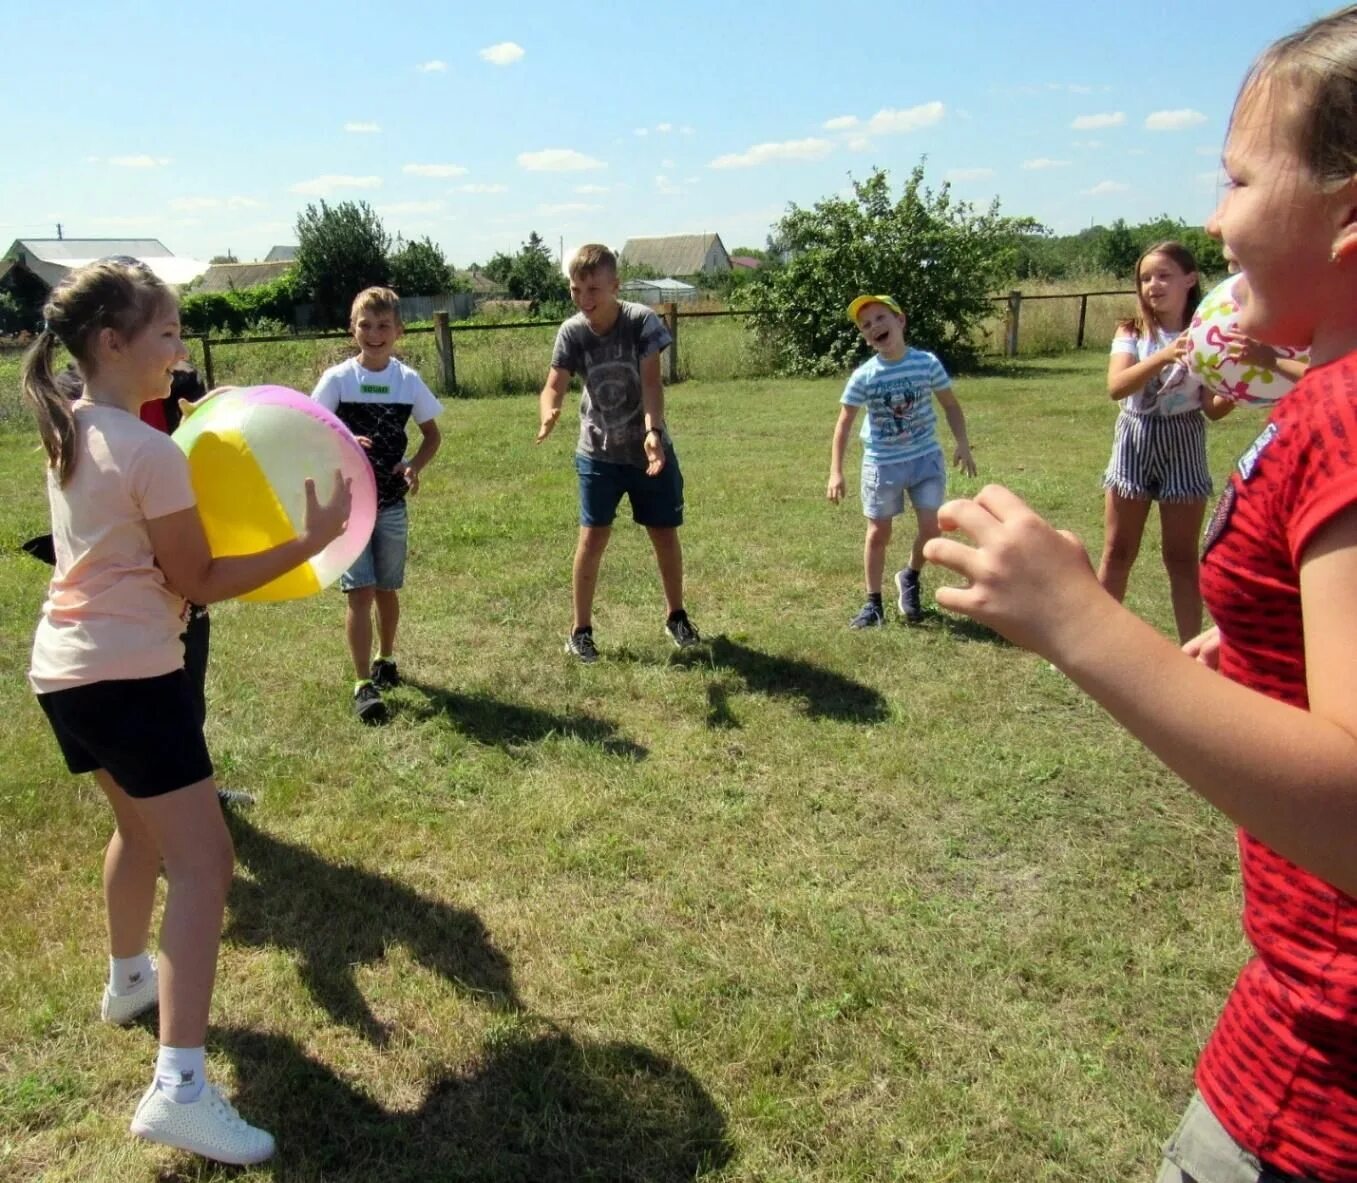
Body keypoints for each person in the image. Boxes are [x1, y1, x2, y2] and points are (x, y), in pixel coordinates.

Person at [923, 9, 1357, 1180]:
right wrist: (1251, 659)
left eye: (1237, 178)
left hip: (1317, 1087)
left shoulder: (1344, 416)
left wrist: (1075, 621)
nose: (1214, 220)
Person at [22, 258, 351, 1165]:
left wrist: (206, 412)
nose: (179, 348)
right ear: (112, 342)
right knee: (206, 863)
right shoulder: (146, 448)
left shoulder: (77, 427)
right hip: (130, 677)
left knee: (138, 830)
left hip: (64, 672)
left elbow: (142, 498)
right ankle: (180, 1087)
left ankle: (129, 979)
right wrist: (310, 540)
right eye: (166, 334)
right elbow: (197, 580)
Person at [536, 243, 700, 662]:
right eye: (575, 290)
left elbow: (651, 384)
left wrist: (653, 433)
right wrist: (549, 409)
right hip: (598, 453)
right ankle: (581, 631)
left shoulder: (640, 322)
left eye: (593, 289)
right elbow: (554, 383)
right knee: (592, 537)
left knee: (663, 532)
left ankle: (676, 616)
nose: (584, 300)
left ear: (615, 285)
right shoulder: (572, 331)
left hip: (648, 449)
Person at [312, 287, 442, 722]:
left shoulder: (407, 380)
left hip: (391, 507)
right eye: (365, 325)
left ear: (399, 331)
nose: (374, 333)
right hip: (349, 509)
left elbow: (432, 435)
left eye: (384, 325)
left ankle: (386, 659)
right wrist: (344, 440)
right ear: (353, 329)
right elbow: (309, 431)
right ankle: (362, 682)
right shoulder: (337, 380)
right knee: (359, 591)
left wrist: (413, 466)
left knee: (387, 589)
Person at [1098, 242, 1228, 644]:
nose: (1153, 285)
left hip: (1184, 440)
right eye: (1145, 277)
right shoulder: (1132, 332)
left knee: (1182, 559)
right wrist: (1167, 354)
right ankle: (1097, 644)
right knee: (1118, 552)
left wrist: (1239, 385)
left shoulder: (1207, 336)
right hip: (1135, 438)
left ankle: (1190, 649)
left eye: (1164, 275)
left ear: (1190, 280)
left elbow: (1212, 408)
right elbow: (1117, 387)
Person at [827, 294, 976, 627]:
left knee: (931, 529)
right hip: (883, 464)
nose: (874, 327)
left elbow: (950, 405)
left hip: (925, 459)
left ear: (900, 320)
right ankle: (872, 604)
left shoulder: (926, 364)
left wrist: (963, 444)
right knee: (879, 532)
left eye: (881, 318)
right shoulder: (865, 376)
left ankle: (909, 576)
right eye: (866, 325)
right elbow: (844, 423)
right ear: (865, 338)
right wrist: (836, 471)